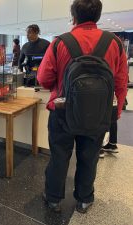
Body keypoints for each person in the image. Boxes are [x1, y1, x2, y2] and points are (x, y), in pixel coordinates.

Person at [37, 0, 128, 214]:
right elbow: (121, 81)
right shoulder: (114, 42)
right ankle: (84, 199)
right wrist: (114, 113)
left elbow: (43, 78)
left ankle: (53, 199)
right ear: (97, 16)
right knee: (89, 156)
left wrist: (59, 85)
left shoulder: (60, 42)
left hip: (63, 111)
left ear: (73, 16)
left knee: (59, 155)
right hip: (97, 113)